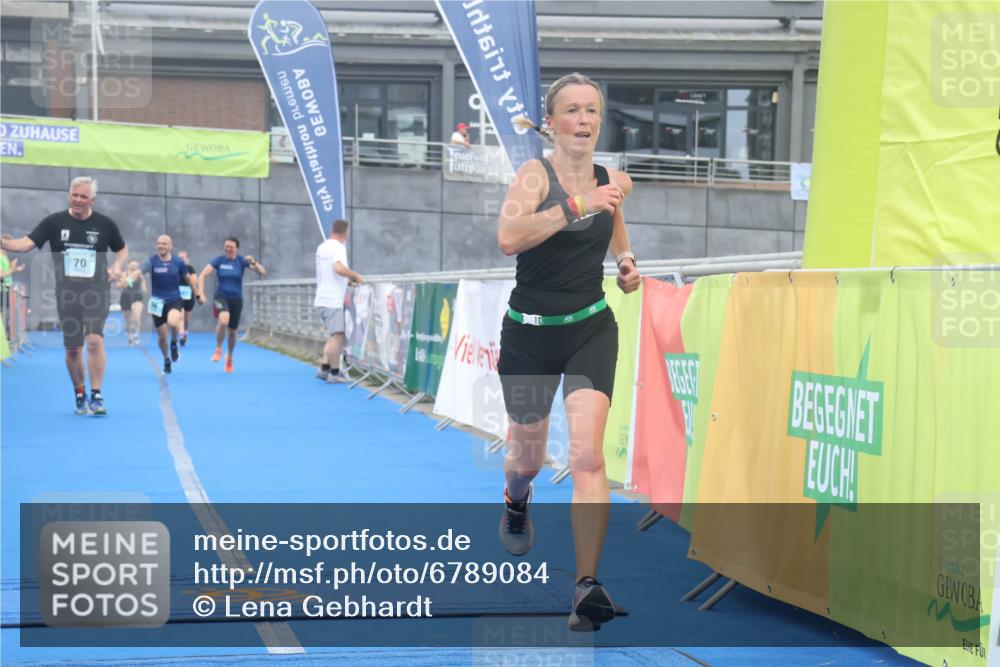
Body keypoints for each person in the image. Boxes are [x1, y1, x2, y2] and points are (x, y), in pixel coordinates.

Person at [495, 73, 641, 632]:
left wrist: (625, 263)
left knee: (587, 457)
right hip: (529, 336)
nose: (584, 120)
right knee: (527, 459)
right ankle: (515, 500)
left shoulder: (614, 181)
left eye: (592, 111)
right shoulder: (534, 176)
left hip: (589, 329)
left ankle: (586, 586)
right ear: (552, 122)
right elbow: (509, 238)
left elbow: (614, 221)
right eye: (573, 110)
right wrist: (576, 204)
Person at [0, 176, 127, 415]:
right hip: (67, 293)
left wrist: (118, 266)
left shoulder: (105, 224)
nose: (78, 200)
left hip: (97, 291)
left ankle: (96, 395)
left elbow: (121, 248)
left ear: (92, 200)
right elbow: (23, 245)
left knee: (94, 339)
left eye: (83, 196)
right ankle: (80, 392)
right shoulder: (54, 222)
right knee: (73, 348)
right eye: (74, 195)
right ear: (69, 195)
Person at [196, 237, 266, 373]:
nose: (228, 249)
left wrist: (254, 262)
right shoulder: (219, 260)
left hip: (236, 300)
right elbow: (202, 275)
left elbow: (262, 272)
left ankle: (229, 358)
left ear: (236, 249)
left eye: (231, 247)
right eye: (226, 246)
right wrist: (201, 293)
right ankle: (218, 349)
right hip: (221, 296)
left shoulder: (241, 261)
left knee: (233, 332)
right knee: (223, 319)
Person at [314, 219, 364, 382]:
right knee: (338, 336)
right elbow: (338, 268)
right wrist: (355, 276)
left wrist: (346, 281)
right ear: (345, 233)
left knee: (333, 335)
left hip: (321, 298)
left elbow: (330, 273)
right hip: (332, 300)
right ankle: (334, 372)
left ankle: (324, 367)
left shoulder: (322, 247)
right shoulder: (338, 247)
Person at [141, 235, 195, 374]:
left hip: (174, 299)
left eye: (164, 243)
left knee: (172, 321)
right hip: (157, 303)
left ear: (170, 246)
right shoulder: (152, 261)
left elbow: (189, 279)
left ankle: (174, 343)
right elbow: (139, 271)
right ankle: (166, 359)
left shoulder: (178, 262)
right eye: (159, 243)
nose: (161, 246)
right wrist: (129, 278)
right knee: (161, 338)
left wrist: (198, 294)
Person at [118, 259, 146, 346]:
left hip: (136, 296)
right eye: (132, 265)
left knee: (136, 317)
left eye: (135, 265)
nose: (134, 266)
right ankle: (130, 337)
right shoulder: (123, 274)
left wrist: (142, 283)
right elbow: (119, 285)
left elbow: (144, 289)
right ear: (128, 265)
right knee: (128, 320)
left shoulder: (140, 275)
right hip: (125, 297)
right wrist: (125, 282)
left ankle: (136, 336)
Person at [177, 250, 196, 346]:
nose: (181, 259)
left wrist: (187, 277)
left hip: (188, 294)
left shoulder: (190, 268)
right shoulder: (174, 268)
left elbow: (194, 280)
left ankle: (185, 332)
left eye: (183, 258)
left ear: (187, 259)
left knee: (186, 316)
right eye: (179, 258)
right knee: (180, 314)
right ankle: (181, 335)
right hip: (177, 294)